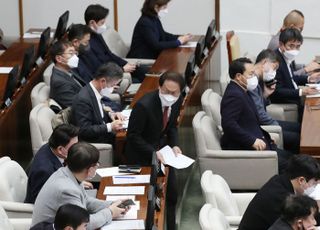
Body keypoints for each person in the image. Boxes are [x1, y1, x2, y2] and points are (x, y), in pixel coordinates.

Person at [125, 71, 185, 230]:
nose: (169, 95)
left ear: (180, 93)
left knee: (171, 195)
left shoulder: (177, 101)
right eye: (165, 91)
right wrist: (153, 152)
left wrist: (175, 145)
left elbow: (172, 126)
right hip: (140, 155)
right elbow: (132, 136)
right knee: (148, 200)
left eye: (174, 93)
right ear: (159, 86)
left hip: (162, 151)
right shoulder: (144, 106)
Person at [31, 142, 127, 229]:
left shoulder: (68, 173)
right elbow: (84, 224)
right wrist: (110, 212)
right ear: (90, 170)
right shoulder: (67, 190)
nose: (97, 167)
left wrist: (111, 204)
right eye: (96, 165)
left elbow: (85, 200)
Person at [220, 57, 293, 172]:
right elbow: (228, 125)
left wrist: (267, 138)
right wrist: (252, 141)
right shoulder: (234, 95)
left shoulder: (242, 89)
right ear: (239, 76)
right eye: (251, 74)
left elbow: (251, 117)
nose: (254, 77)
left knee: (293, 159)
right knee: (294, 167)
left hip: (261, 141)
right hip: (247, 148)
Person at [238, 154, 320, 230]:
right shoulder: (281, 198)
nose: (314, 187)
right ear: (301, 180)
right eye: (314, 183)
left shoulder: (279, 180)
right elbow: (306, 221)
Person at [249, 49, 300, 154]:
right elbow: (260, 115)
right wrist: (276, 125)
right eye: (274, 68)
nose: (274, 72)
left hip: (263, 122)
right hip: (260, 126)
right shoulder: (252, 82)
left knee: (299, 127)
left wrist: (266, 94)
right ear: (264, 63)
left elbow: (259, 107)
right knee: (297, 138)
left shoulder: (258, 79)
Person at [84, 4, 147, 83]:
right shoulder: (86, 43)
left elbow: (110, 54)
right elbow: (98, 68)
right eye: (102, 23)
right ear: (92, 23)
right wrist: (122, 69)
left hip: (115, 68)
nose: (104, 26)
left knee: (143, 71)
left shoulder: (97, 35)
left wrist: (126, 64)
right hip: (110, 76)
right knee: (139, 81)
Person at [68, 24, 122, 112]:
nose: (88, 45)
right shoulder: (72, 62)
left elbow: (92, 75)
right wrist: (103, 87)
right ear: (75, 42)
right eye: (86, 42)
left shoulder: (82, 55)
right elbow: (84, 85)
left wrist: (107, 84)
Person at [269, 28, 319, 120]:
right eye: (291, 46)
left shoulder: (287, 56)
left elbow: (290, 78)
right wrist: (301, 92)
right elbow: (276, 91)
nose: (294, 50)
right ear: (281, 44)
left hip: (294, 97)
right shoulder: (275, 61)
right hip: (285, 100)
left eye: (297, 46)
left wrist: (309, 79)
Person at [71, 62, 124, 144]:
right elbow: (84, 130)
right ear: (103, 81)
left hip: (104, 133)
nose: (113, 89)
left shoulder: (95, 91)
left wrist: (111, 114)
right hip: (96, 141)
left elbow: (98, 113)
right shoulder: (83, 100)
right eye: (113, 85)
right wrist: (110, 126)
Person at [25, 124, 79, 204]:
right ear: (60, 149)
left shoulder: (50, 147)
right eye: (74, 147)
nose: (77, 149)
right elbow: (41, 202)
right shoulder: (45, 171)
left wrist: (75, 181)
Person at [127, 0, 192, 59]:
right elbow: (156, 45)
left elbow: (163, 34)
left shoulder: (154, 18)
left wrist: (180, 37)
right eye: (164, 8)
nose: (166, 11)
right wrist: (178, 42)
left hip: (152, 57)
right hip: (140, 61)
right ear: (156, 7)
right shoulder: (144, 23)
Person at [267, 10, 320, 78]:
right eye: (300, 29)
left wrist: (308, 67)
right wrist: (306, 69)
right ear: (292, 27)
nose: (300, 33)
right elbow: (287, 77)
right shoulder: (277, 44)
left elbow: (290, 67)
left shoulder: (283, 40)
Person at [49, 40, 86, 109]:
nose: (75, 57)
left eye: (75, 53)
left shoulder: (69, 70)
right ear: (59, 59)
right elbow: (78, 107)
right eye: (71, 53)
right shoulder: (59, 82)